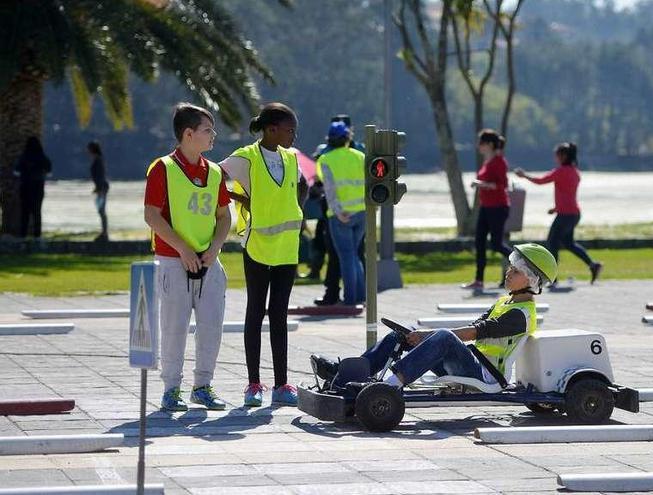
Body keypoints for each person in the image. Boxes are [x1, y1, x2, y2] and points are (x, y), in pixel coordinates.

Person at [312, 244, 556, 387]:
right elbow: (474, 326)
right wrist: (418, 337)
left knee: (442, 336)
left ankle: (388, 388)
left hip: (486, 375)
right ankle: (347, 373)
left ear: (532, 280)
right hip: (470, 361)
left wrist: (427, 336)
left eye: (515, 271)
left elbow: (475, 332)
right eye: (510, 268)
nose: (507, 273)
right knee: (402, 334)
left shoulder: (521, 314)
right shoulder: (505, 301)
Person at [144, 103, 231, 411]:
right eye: (208, 130)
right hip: (172, 260)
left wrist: (215, 248)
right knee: (174, 327)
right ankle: (171, 389)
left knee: (211, 325)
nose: (213, 136)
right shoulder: (163, 168)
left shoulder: (216, 171)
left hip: (209, 262)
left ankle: (203, 386)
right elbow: (152, 216)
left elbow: (224, 217)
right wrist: (182, 248)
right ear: (188, 134)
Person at [219, 102, 307, 407]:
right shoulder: (247, 157)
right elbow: (214, 177)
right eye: (289, 129)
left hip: (287, 247)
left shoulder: (291, 159)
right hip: (257, 246)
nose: (294, 135)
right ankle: (254, 383)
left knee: (279, 314)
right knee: (255, 312)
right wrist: (239, 198)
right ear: (271, 129)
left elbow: (302, 189)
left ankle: (282, 384)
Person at [515, 142, 603, 284]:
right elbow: (568, 193)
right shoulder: (575, 172)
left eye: (556, 155)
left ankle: (552, 277)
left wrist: (524, 175)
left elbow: (540, 181)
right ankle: (593, 265)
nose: (555, 158)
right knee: (568, 243)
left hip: (566, 215)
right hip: (573, 213)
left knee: (552, 243)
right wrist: (556, 208)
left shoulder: (561, 171)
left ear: (563, 156)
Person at [309, 114, 366, 305]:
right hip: (362, 212)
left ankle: (350, 300)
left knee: (346, 257)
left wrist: (338, 211)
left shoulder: (325, 159)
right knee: (356, 255)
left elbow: (330, 189)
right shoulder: (361, 156)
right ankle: (360, 296)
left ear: (329, 139)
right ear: (348, 138)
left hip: (340, 215)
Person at [462, 129, 513, 290]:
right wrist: (481, 183)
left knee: (497, 244)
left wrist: (480, 184)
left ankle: (524, 263)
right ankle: (479, 280)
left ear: (490, 144)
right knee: (479, 242)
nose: (479, 146)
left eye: (481, 143)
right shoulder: (487, 161)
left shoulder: (499, 161)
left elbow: (502, 185)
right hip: (486, 207)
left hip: (498, 207)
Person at [13, 136, 52, 238]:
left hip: (25, 187)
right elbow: (49, 172)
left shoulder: (23, 157)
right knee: (37, 212)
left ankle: (23, 234)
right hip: (38, 188)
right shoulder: (42, 157)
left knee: (24, 212)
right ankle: (37, 235)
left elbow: (16, 172)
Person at [88, 141, 110, 242]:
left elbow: (100, 176)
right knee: (101, 211)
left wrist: (100, 189)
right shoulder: (97, 160)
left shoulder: (98, 161)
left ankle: (105, 233)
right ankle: (104, 232)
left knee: (102, 211)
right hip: (100, 188)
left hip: (102, 189)